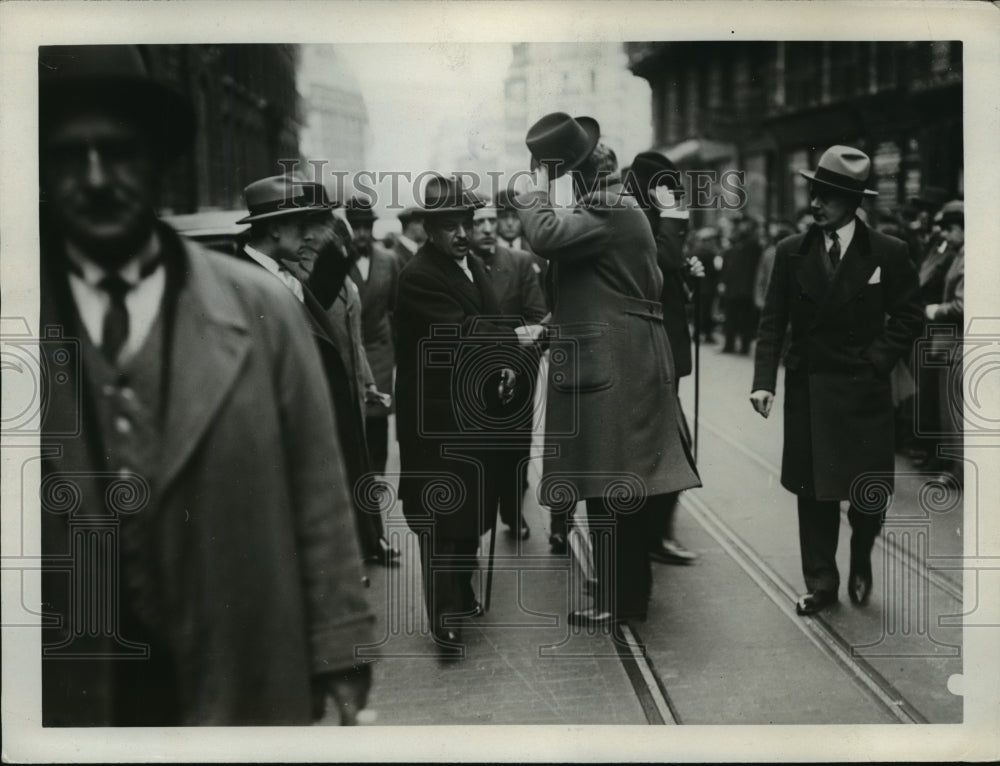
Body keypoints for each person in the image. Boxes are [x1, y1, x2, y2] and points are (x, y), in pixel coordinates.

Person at [38, 44, 373, 725]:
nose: (98, 179)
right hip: (67, 686)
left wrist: (339, 647)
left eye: (122, 153)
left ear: (160, 166)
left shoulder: (260, 310)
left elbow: (318, 491)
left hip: (235, 664)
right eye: (72, 156)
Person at [516, 113, 701, 628]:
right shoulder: (618, 208)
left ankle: (622, 601)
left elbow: (545, 234)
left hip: (615, 367)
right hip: (622, 359)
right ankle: (624, 595)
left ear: (575, 173)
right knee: (615, 487)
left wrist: (533, 188)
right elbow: (602, 287)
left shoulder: (607, 207)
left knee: (613, 489)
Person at [751, 145, 923, 616]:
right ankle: (822, 581)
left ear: (851, 202)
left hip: (863, 389)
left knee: (867, 494)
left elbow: (909, 317)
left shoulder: (888, 252)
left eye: (825, 196)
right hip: (809, 386)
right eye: (813, 193)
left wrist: (876, 361)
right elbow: (772, 321)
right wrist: (763, 380)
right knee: (814, 491)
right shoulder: (791, 253)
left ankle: (862, 552)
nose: (814, 203)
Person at [236, 177, 399, 566]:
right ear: (275, 227)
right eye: (304, 225)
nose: (314, 236)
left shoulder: (288, 275)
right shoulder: (243, 284)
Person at [394, 175, 520, 654]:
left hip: (472, 413)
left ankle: (460, 593)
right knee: (442, 518)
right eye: (451, 226)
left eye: (466, 223)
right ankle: (443, 617)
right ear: (430, 229)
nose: (463, 233)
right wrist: (511, 343)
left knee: (471, 511)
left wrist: (504, 364)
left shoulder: (472, 267)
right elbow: (463, 330)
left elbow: (491, 324)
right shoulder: (420, 276)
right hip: (436, 422)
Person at [628, 150, 704, 565]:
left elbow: (670, 272)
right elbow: (665, 260)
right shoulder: (640, 222)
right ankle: (654, 536)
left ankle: (657, 533)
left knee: (672, 448)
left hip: (662, 354)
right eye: (667, 188)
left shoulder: (652, 220)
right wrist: (676, 216)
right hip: (648, 356)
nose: (674, 196)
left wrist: (689, 280)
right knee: (672, 447)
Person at [468, 195, 548, 542]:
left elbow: (536, 319)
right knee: (480, 452)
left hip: (517, 375)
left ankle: (513, 514)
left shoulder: (519, 262)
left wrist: (515, 365)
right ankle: (479, 517)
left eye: (491, 221)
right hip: (474, 377)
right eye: (478, 222)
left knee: (516, 448)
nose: (487, 228)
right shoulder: (465, 266)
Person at [921, 200, 964, 483]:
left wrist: (936, 309)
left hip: (956, 345)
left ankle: (957, 472)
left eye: (950, 229)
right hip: (952, 345)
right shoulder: (960, 254)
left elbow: (962, 305)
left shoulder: (967, 256)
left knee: (954, 412)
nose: (945, 235)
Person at [720, 212, 763, 354]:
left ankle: (744, 347)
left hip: (746, 288)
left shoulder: (752, 243)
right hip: (733, 287)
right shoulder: (735, 242)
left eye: (742, 224)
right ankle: (729, 345)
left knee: (745, 319)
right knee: (730, 317)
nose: (739, 227)